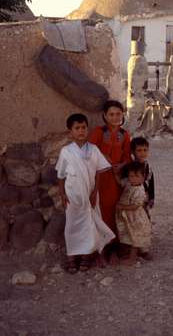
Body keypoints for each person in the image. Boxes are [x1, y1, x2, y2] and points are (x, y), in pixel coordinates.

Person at [56, 113, 115, 274]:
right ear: (70, 132)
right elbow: (61, 175)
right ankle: (71, 258)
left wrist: (95, 192)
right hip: (73, 196)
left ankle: (86, 257)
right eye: (77, 128)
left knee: (88, 227)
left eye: (83, 127)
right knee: (72, 227)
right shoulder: (66, 152)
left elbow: (98, 173)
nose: (81, 131)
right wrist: (62, 194)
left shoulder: (93, 150)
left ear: (87, 129)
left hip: (89, 196)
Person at [88, 100, 131, 261]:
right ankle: (102, 245)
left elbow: (127, 154)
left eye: (118, 114)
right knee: (102, 209)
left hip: (117, 178)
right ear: (105, 116)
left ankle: (116, 243)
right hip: (101, 178)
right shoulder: (98, 132)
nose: (115, 117)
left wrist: (122, 165)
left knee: (116, 209)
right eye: (111, 114)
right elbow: (91, 151)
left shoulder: (125, 135)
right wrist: (103, 158)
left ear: (122, 115)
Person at [116, 161, 152, 265]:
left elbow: (136, 206)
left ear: (143, 177)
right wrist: (115, 173)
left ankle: (133, 258)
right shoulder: (129, 184)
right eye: (131, 176)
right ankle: (132, 253)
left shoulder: (140, 190)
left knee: (135, 238)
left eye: (137, 176)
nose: (134, 179)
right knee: (130, 236)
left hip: (136, 218)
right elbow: (119, 182)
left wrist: (122, 207)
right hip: (129, 218)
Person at [130, 137, 155, 213]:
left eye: (145, 150)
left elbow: (151, 183)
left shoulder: (148, 166)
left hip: (145, 196)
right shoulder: (131, 166)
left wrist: (152, 198)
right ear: (133, 152)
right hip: (133, 197)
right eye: (139, 150)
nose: (142, 153)